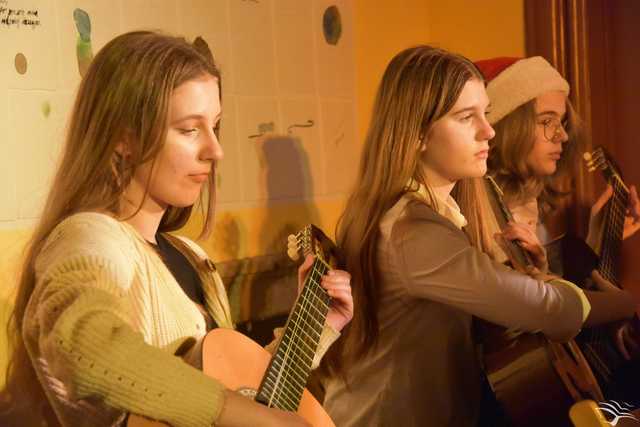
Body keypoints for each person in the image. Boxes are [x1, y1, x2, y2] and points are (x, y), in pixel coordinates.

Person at [0, 31, 353, 427]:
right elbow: (83, 346)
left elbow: (231, 391)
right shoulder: (91, 237)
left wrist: (314, 331)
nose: (215, 150)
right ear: (123, 140)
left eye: (215, 126)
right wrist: (242, 415)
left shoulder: (191, 256)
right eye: (189, 130)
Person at [318, 45, 637, 427]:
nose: (489, 131)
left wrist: (535, 276)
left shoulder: (429, 213)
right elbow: (546, 308)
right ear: (418, 133)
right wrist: (630, 303)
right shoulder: (412, 230)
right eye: (467, 117)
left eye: (485, 114)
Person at [475, 55, 640, 404]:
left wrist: (601, 234)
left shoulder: (531, 202)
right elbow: (538, 310)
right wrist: (626, 304)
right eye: (547, 121)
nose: (562, 135)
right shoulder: (481, 211)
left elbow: (558, 293)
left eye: (563, 122)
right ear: (506, 125)